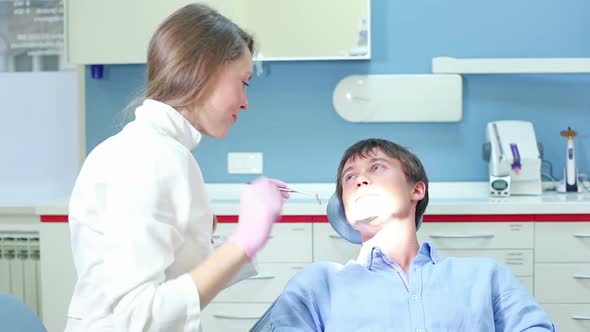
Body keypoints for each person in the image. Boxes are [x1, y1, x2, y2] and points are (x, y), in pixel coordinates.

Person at [65, 4, 289, 331]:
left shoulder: (158, 151)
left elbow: (177, 278)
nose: (245, 101)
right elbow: (135, 317)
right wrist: (245, 239)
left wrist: (216, 241)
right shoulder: (150, 158)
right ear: (203, 70)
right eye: (243, 82)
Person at [262, 138, 555, 331]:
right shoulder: (316, 285)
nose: (360, 179)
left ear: (417, 189)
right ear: (344, 208)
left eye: (376, 168)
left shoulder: (485, 277)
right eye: (349, 177)